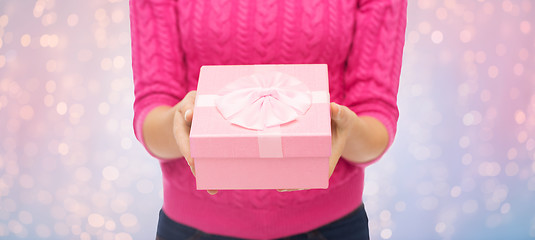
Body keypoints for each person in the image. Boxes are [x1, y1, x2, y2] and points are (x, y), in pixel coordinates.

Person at [129, 0, 406, 239]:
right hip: (192, 228)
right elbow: (152, 110)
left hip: (332, 227)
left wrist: (346, 129)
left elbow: (376, 116)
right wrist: (178, 121)